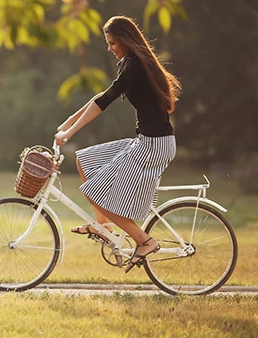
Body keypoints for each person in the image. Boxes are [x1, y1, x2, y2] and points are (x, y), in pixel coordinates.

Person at [54, 16, 182, 273]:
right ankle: (103, 226)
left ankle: (144, 241)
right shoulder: (131, 63)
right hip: (148, 141)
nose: (110, 48)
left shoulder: (134, 65)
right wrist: (70, 119)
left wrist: (69, 132)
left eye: (112, 43)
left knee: (93, 191)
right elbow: (101, 96)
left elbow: (104, 102)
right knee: (84, 160)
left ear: (124, 40)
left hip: (153, 147)